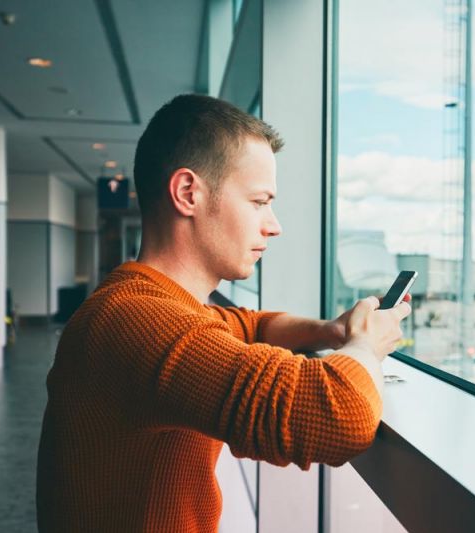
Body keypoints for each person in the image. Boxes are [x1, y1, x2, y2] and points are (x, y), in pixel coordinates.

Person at [36, 94, 411, 532]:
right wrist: (367, 343)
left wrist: (327, 330)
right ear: (187, 193)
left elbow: (250, 326)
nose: (274, 224)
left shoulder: (154, 302)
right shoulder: (135, 320)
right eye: (258, 201)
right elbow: (337, 417)